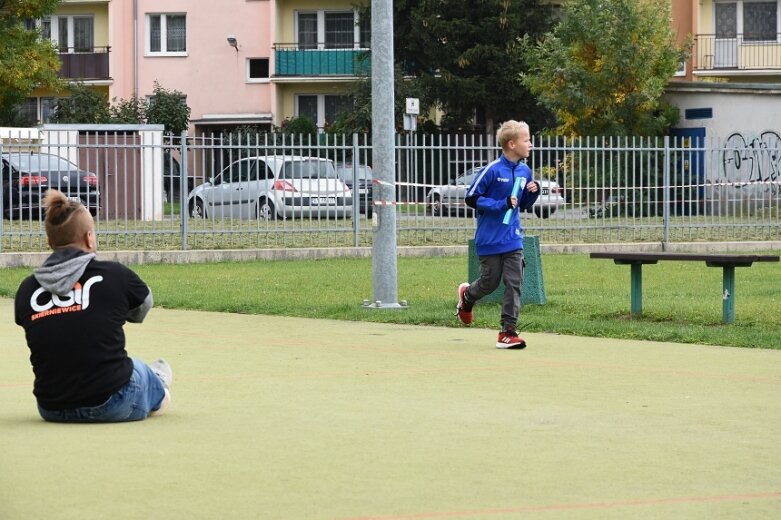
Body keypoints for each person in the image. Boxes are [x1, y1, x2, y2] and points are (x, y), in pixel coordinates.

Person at [14, 189, 172, 422]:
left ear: (50, 242)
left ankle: (153, 381)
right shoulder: (115, 275)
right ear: (90, 238)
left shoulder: (27, 289)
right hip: (112, 401)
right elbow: (143, 308)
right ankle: (157, 384)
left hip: (51, 407)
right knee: (138, 369)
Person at [456, 120, 540, 349]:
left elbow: (521, 204)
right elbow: (472, 198)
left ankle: (507, 331)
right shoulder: (492, 170)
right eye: (527, 140)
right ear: (512, 144)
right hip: (490, 239)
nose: (531, 144)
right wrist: (500, 203)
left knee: (514, 283)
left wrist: (534, 192)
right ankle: (467, 296)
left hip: (513, 238)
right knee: (489, 283)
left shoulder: (524, 170)